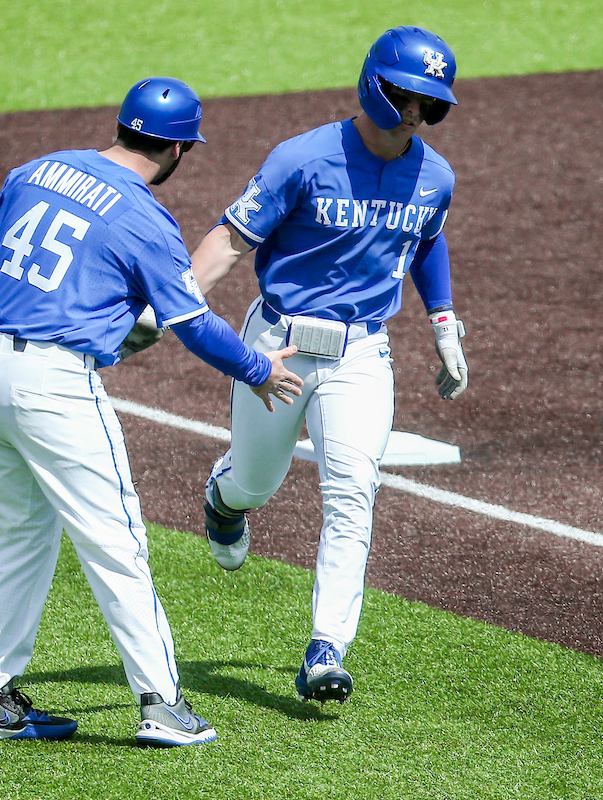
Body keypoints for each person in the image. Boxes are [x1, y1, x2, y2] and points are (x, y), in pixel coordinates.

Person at [0, 77, 303, 747]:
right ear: (176, 150)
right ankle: (162, 704)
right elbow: (193, 322)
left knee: (13, 544)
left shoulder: (37, 169)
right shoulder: (142, 214)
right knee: (117, 545)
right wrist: (259, 369)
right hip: (52, 384)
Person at [191, 27, 469, 704]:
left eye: (428, 105)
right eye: (405, 97)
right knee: (257, 482)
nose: (413, 115)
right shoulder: (302, 159)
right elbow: (233, 238)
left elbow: (427, 238)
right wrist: (176, 298)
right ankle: (224, 500)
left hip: (362, 354)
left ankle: (325, 650)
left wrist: (442, 323)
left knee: (352, 493)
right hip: (278, 344)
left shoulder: (435, 175)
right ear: (374, 84)